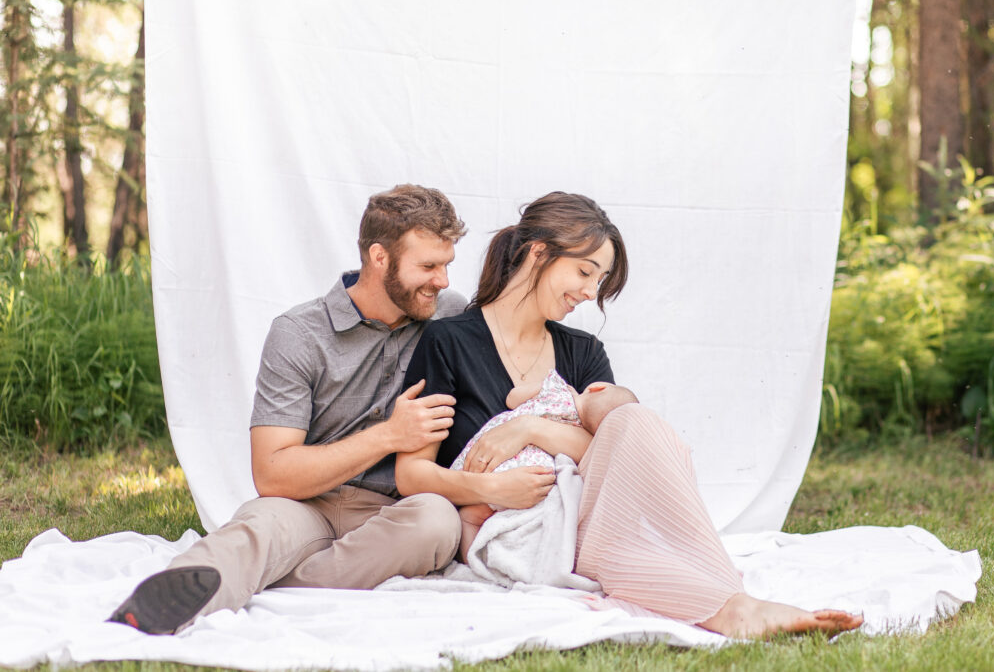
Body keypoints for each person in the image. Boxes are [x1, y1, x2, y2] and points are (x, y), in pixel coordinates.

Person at [394, 191, 864, 639]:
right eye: (583, 271)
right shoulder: (449, 343)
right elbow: (411, 474)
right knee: (628, 538)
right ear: (538, 252)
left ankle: (735, 601)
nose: (588, 291)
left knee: (632, 419)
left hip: (593, 515)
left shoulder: (583, 353)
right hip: (517, 532)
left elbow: (620, 449)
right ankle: (732, 607)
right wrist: (490, 488)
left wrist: (529, 427)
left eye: (598, 281)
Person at [108, 184, 473, 635]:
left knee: (436, 523)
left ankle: (281, 581)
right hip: (306, 503)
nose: (443, 281)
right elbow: (273, 474)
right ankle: (154, 604)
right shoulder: (300, 333)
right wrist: (388, 436)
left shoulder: (449, 315)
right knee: (255, 532)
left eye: (447, 265)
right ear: (379, 258)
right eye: (429, 266)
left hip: (392, 511)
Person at [450, 369, 639, 561]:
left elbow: (512, 399)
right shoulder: (581, 435)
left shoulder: (555, 388)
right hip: (535, 479)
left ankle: (468, 560)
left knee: (470, 517)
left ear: (597, 387)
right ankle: (487, 563)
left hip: (495, 461)